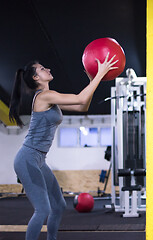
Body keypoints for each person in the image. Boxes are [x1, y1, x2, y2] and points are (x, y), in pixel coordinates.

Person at [9, 53, 118, 240]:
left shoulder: (51, 98)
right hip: (27, 158)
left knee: (58, 205)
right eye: (43, 69)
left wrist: (93, 80)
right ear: (36, 78)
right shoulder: (44, 96)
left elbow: (82, 107)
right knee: (42, 210)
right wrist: (100, 74)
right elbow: (80, 99)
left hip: (39, 160)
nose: (48, 69)